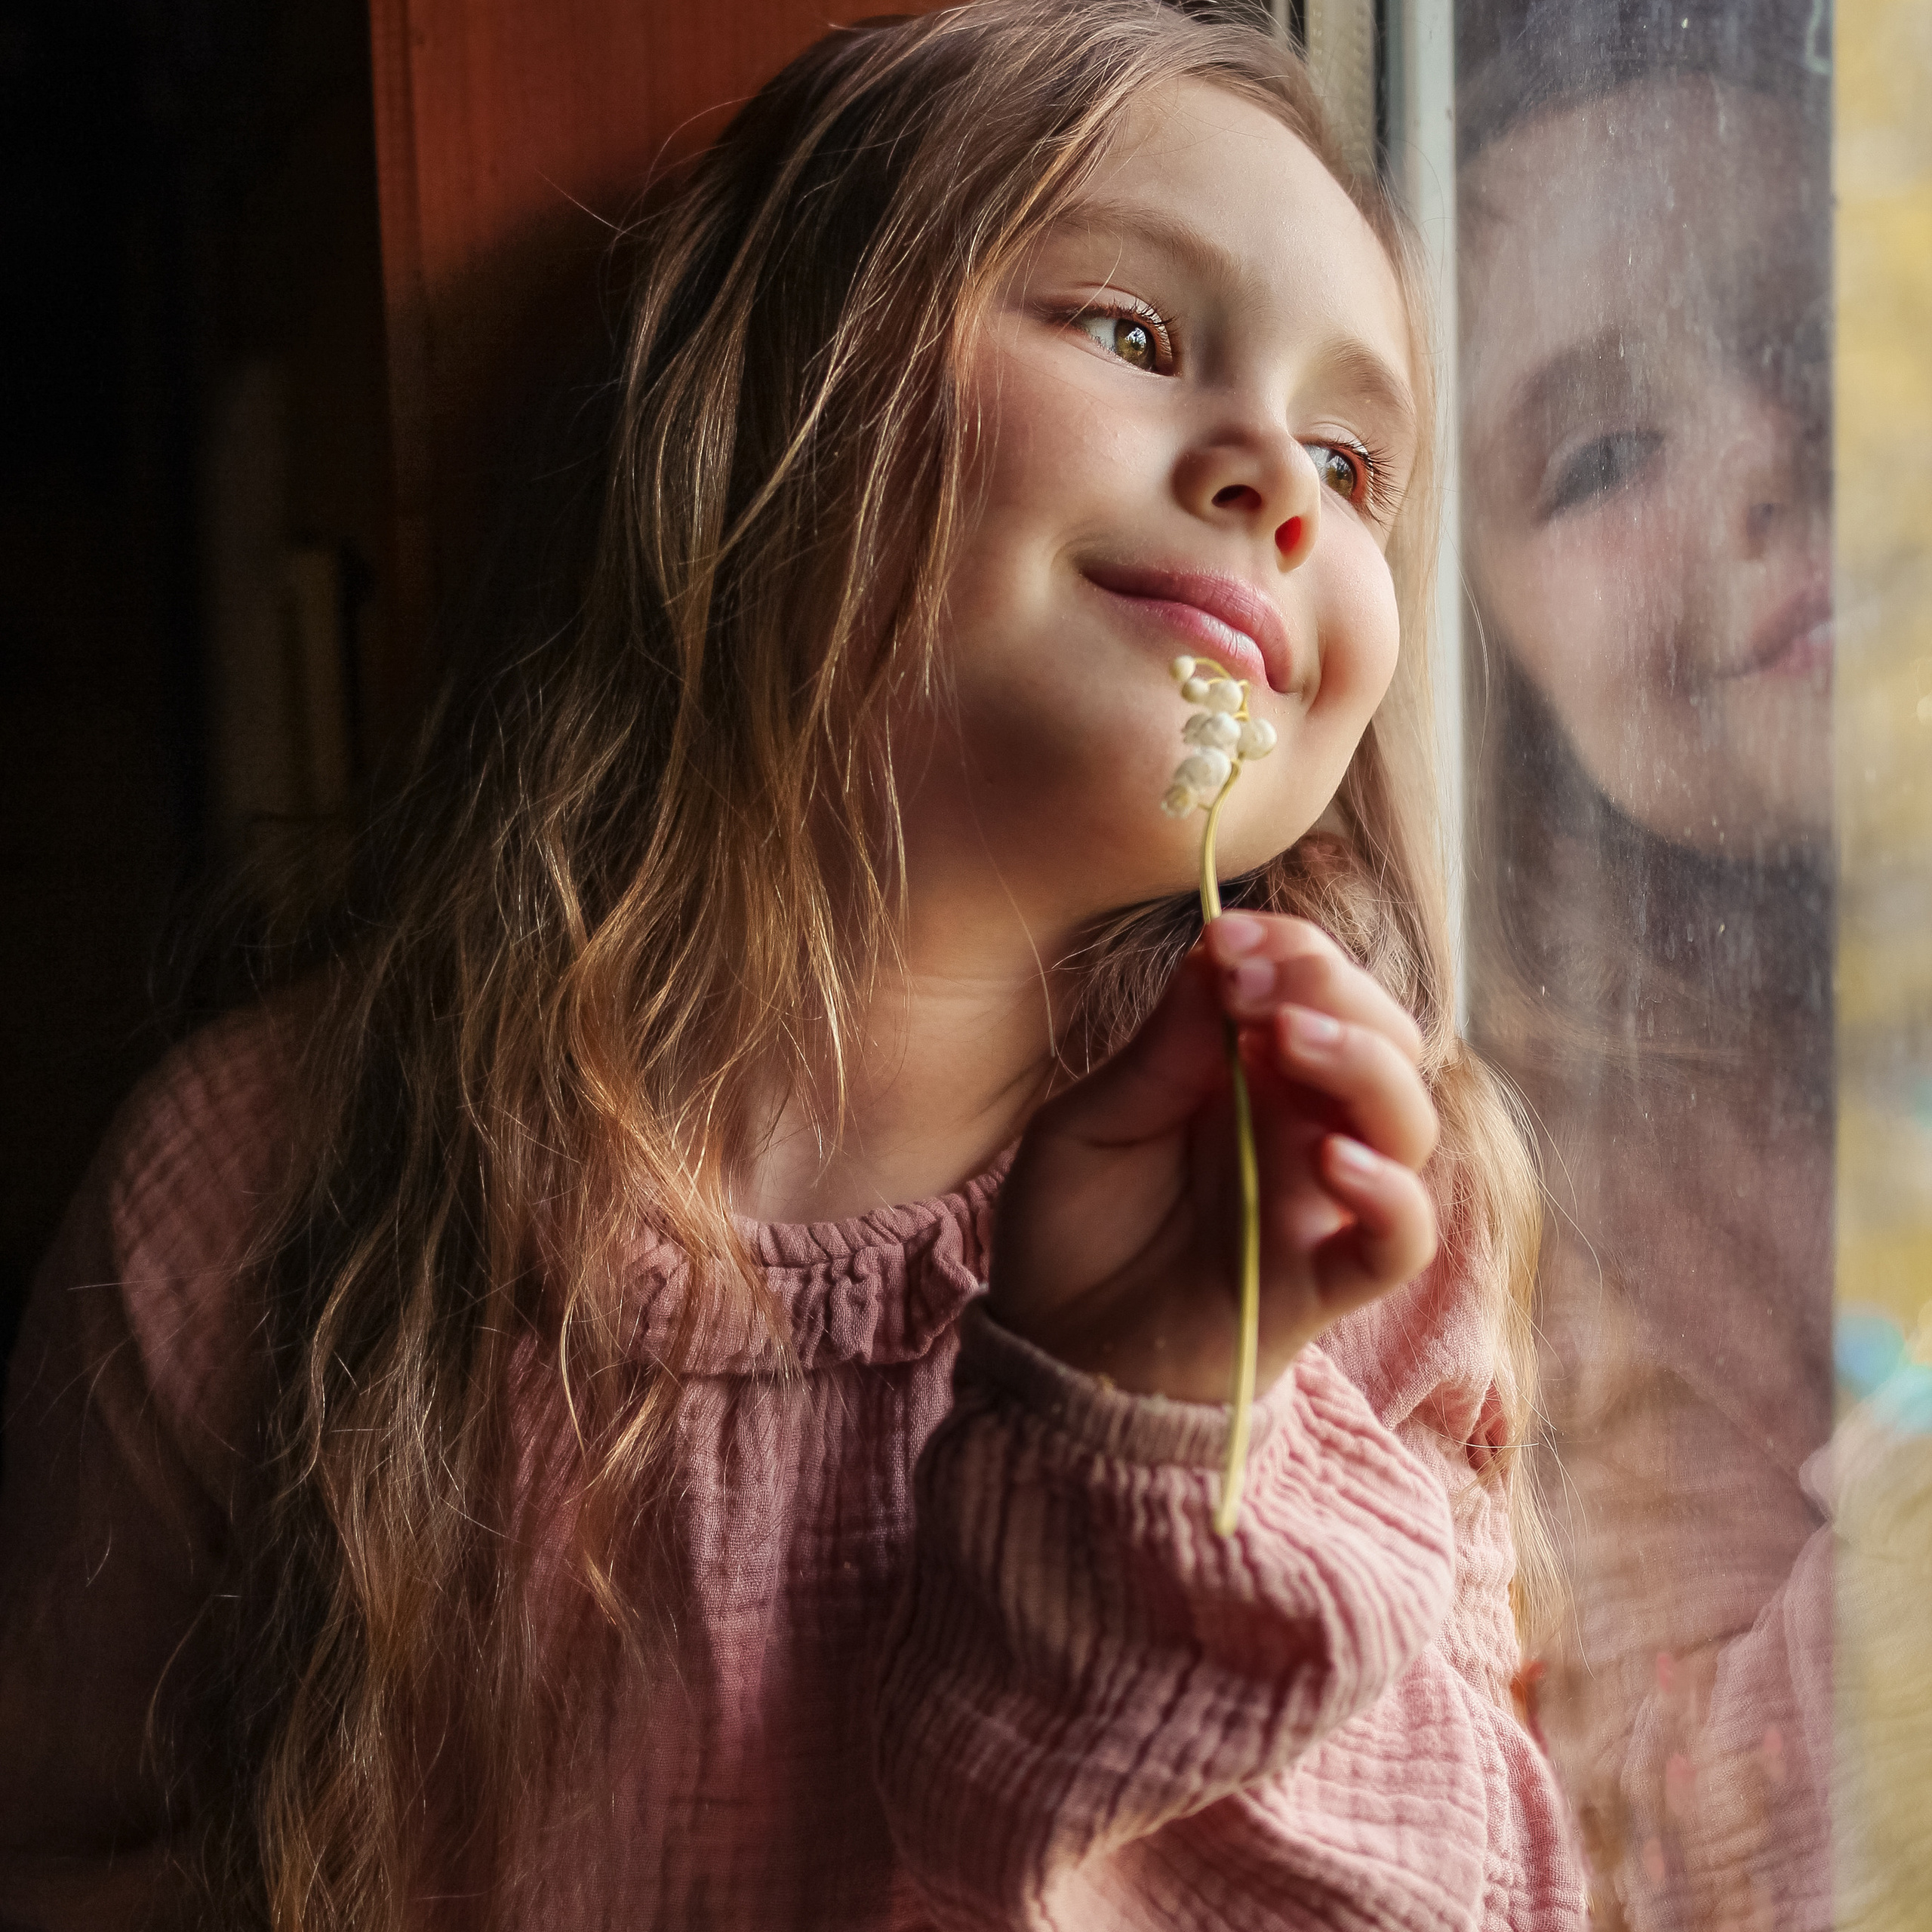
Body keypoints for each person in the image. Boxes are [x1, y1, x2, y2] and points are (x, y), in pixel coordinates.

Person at [0, 5, 1581, 1926]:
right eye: (1131, 334)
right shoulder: (259, 1182)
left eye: (1355, 458)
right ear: (768, 389)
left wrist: (1163, 1424)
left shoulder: (1340, 1233)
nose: (1279, 474)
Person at [1454, 4, 1838, 1923]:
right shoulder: (1561, 1185)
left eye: (1810, 321)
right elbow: (1697, 1864)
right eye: (1601, 451)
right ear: (1491, 685)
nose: (1773, 446)